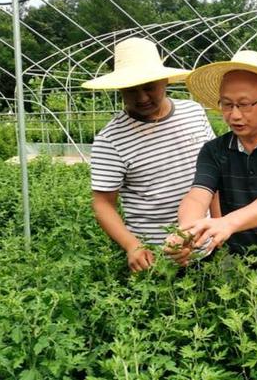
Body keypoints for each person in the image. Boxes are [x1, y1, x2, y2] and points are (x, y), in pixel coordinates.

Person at [164, 50, 257, 275]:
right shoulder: (214, 151)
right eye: (226, 104)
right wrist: (187, 231)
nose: (234, 115)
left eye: (244, 104)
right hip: (238, 265)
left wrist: (228, 222)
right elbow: (198, 194)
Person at [82, 37, 216, 273]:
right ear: (119, 88)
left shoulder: (194, 113)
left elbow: (214, 175)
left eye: (149, 87)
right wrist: (132, 246)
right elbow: (103, 205)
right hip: (155, 259)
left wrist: (218, 225)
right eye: (132, 90)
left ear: (164, 80)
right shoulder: (110, 139)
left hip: (207, 246)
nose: (142, 97)